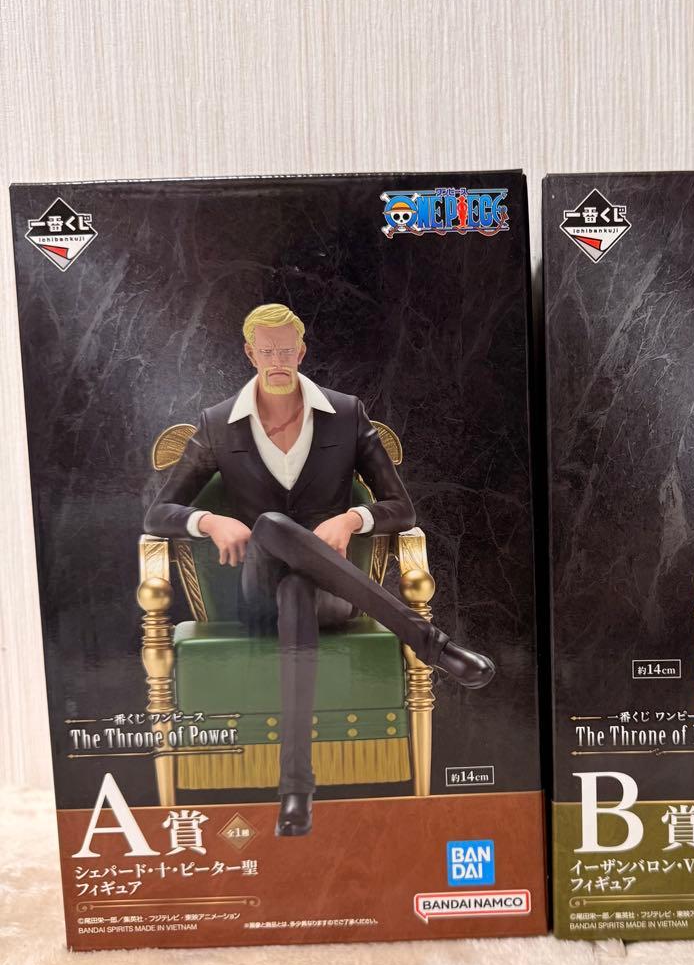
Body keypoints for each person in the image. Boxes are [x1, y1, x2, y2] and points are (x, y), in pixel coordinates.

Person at [144, 303, 494, 837]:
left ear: (302, 352)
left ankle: (296, 792)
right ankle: (430, 642)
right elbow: (158, 513)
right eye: (267, 351)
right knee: (271, 526)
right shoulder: (218, 423)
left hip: (334, 597)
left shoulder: (347, 414)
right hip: (255, 596)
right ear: (250, 353)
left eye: (286, 350)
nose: (277, 360)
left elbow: (402, 509)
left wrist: (353, 518)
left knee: (298, 590)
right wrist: (209, 520)